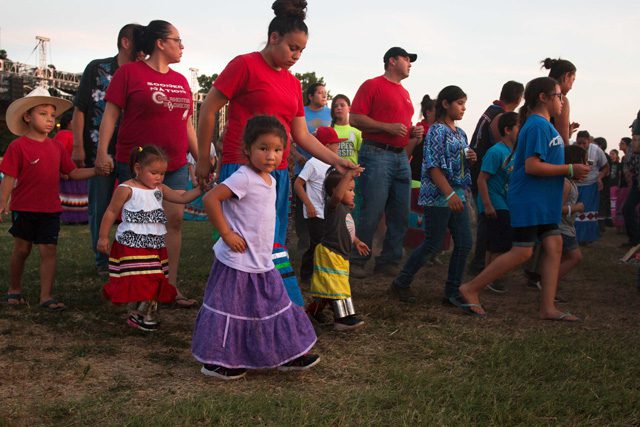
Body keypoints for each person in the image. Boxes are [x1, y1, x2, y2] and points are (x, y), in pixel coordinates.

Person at [194, 0, 356, 307]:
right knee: (241, 244)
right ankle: (259, 310)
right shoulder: (244, 65)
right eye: (293, 47)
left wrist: (336, 160)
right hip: (241, 169)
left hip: (278, 173)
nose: (296, 56)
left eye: (301, 51)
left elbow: (301, 135)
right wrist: (204, 157)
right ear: (273, 38)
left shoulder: (294, 84)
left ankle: (276, 311)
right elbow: (209, 109)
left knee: (273, 243)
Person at [192, 116, 319, 380]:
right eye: (263, 148)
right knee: (231, 310)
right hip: (237, 261)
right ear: (248, 149)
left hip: (262, 260)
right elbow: (211, 199)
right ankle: (218, 361)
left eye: (276, 149)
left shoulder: (271, 181)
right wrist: (226, 233)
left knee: (276, 304)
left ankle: (288, 353)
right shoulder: (244, 177)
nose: (270, 155)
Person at [457, 77, 589, 320]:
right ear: (543, 97)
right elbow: (532, 166)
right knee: (523, 252)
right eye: (558, 95)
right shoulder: (537, 125)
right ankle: (470, 288)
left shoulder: (544, 125)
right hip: (531, 198)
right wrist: (569, 170)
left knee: (554, 245)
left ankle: (547, 307)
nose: (562, 101)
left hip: (543, 199)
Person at [95, 20, 199, 308]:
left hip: (175, 163)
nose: (181, 46)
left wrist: (200, 157)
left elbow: (187, 124)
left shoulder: (180, 81)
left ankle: (169, 287)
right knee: (140, 224)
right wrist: (103, 151)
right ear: (160, 43)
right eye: (177, 40)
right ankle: (136, 285)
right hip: (138, 164)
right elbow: (111, 115)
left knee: (174, 221)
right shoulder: (129, 73)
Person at [0, 87, 103, 310]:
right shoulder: (17, 146)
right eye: (43, 114)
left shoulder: (56, 147)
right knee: (22, 249)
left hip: (50, 209)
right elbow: (9, 177)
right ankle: (14, 290)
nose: (49, 120)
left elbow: (73, 172)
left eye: (52, 116)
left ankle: (46, 296)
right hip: (24, 208)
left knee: (49, 250)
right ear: (27, 116)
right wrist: (2, 202)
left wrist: (96, 170)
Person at [98, 146, 203, 330]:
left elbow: (182, 197)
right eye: (154, 172)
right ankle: (139, 313)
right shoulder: (126, 189)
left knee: (155, 278)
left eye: (162, 173)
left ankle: (144, 312)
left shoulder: (160, 189)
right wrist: (103, 237)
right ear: (138, 169)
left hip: (154, 244)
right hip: (131, 244)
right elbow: (111, 212)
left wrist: (201, 189)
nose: (159, 177)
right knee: (141, 279)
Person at [389, 86, 475, 304]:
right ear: (446, 104)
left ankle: (452, 291)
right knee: (433, 243)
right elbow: (432, 166)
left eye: (465, 103)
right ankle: (401, 282)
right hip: (440, 195)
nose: (463, 108)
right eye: (459, 103)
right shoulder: (436, 131)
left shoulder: (460, 132)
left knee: (464, 243)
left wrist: (470, 158)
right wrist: (448, 194)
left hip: (457, 194)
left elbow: (457, 162)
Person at [349, 46, 424, 278]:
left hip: (400, 156)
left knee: (401, 212)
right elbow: (354, 118)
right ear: (392, 61)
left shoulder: (405, 93)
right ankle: (357, 260)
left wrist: (412, 132)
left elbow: (399, 125)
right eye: (406, 59)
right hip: (376, 153)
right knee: (372, 210)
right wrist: (386, 127)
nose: (410, 63)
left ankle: (388, 260)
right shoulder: (372, 85)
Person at [72, 23, 140, 275]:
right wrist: (78, 146)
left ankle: (131, 258)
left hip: (131, 152)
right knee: (100, 206)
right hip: (96, 150)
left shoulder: (141, 72)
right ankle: (102, 262)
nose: (144, 47)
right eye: (140, 41)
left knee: (134, 206)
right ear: (126, 42)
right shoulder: (97, 68)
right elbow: (80, 108)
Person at [468, 81, 524, 274]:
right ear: (518, 99)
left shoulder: (491, 110)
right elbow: (499, 144)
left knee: (490, 223)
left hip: (482, 170)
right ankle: (481, 265)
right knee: (488, 222)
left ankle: (485, 264)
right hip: (485, 175)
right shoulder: (500, 117)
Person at [307, 168, 369, 330]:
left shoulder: (344, 209)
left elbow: (344, 230)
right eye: (349, 190)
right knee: (338, 287)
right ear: (336, 191)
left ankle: (312, 313)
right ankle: (342, 319)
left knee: (329, 289)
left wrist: (356, 241)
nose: (353, 193)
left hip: (340, 255)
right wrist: (348, 175)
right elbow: (336, 197)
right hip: (330, 253)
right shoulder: (332, 205)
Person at [294, 127, 345, 282]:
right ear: (327, 146)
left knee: (325, 243)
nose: (338, 146)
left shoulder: (333, 164)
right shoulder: (313, 163)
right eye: (336, 143)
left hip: (327, 212)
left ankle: (323, 273)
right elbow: (297, 184)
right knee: (317, 244)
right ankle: (307, 275)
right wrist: (308, 205)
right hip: (315, 213)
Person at [476, 112, 518, 293]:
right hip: (494, 203)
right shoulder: (496, 151)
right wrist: (487, 204)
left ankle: (489, 277)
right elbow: (481, 179)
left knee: (497, 243)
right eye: (519, 127)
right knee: (499, 243)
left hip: (504, 202)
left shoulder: (514, 152)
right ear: (507, 130)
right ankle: (492, 279)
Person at [291, 82, 332, 251]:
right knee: (302, 206)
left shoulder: (331, 114)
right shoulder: (301, 113)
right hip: (303, 167)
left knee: (323, 203)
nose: (324, 96)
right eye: (320, 93)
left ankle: (323, 238)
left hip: (325, 169)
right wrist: (297, 156)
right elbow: (289, 138)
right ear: (310, 96)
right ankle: (303, 238)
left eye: (325, 93)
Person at [558, 145, 587, 283]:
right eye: (584, 162)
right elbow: (557, 209)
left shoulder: (571, 183)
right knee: (576, 257)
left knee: (563, 258)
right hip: (562, 229)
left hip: (567, 228)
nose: (587, 166)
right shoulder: (566, 184)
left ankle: (549, 282)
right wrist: (575, 208)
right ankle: (548, 280)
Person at [573, 131, 608, 243]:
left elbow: (606, 167)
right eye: (579, 143)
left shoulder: (596, 150)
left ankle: (587, 238)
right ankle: (574, 237)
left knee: (587, 212)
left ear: (589, 141)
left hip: (590, 185)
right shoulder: (572, 148)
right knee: (574, 212)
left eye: (584, 143)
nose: (581, 146)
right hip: (575, 185)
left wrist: (599, 178)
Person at [55, 111, 89, 224]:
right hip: (68, 173)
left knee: (78, 195)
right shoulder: (64, 134)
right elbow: (57, 153)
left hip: (78, 173)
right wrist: (60, 171)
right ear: (70, 123)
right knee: (70, 195)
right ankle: (72, 218)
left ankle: (79, 218)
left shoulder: (76, 136)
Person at [542, 57, 578, 146]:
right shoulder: (561, 100)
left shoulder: (538, 96)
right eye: (572, 80)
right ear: (566, 76)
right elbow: (562, 142)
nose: (571, 87)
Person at [409, 94, 436, 181]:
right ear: (428, 112)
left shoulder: (442, 134)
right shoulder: (417, 132)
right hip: (417, 180)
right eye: (439, 110)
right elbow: (405, 157)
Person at [331, 94, 363, 165]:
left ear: (349, 108)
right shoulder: (329, 130)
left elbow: (361, 155)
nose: (339, 108)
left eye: (342, 105)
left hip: (352, 172)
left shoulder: (357, 130)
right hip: (333, 172)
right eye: (335, 106)